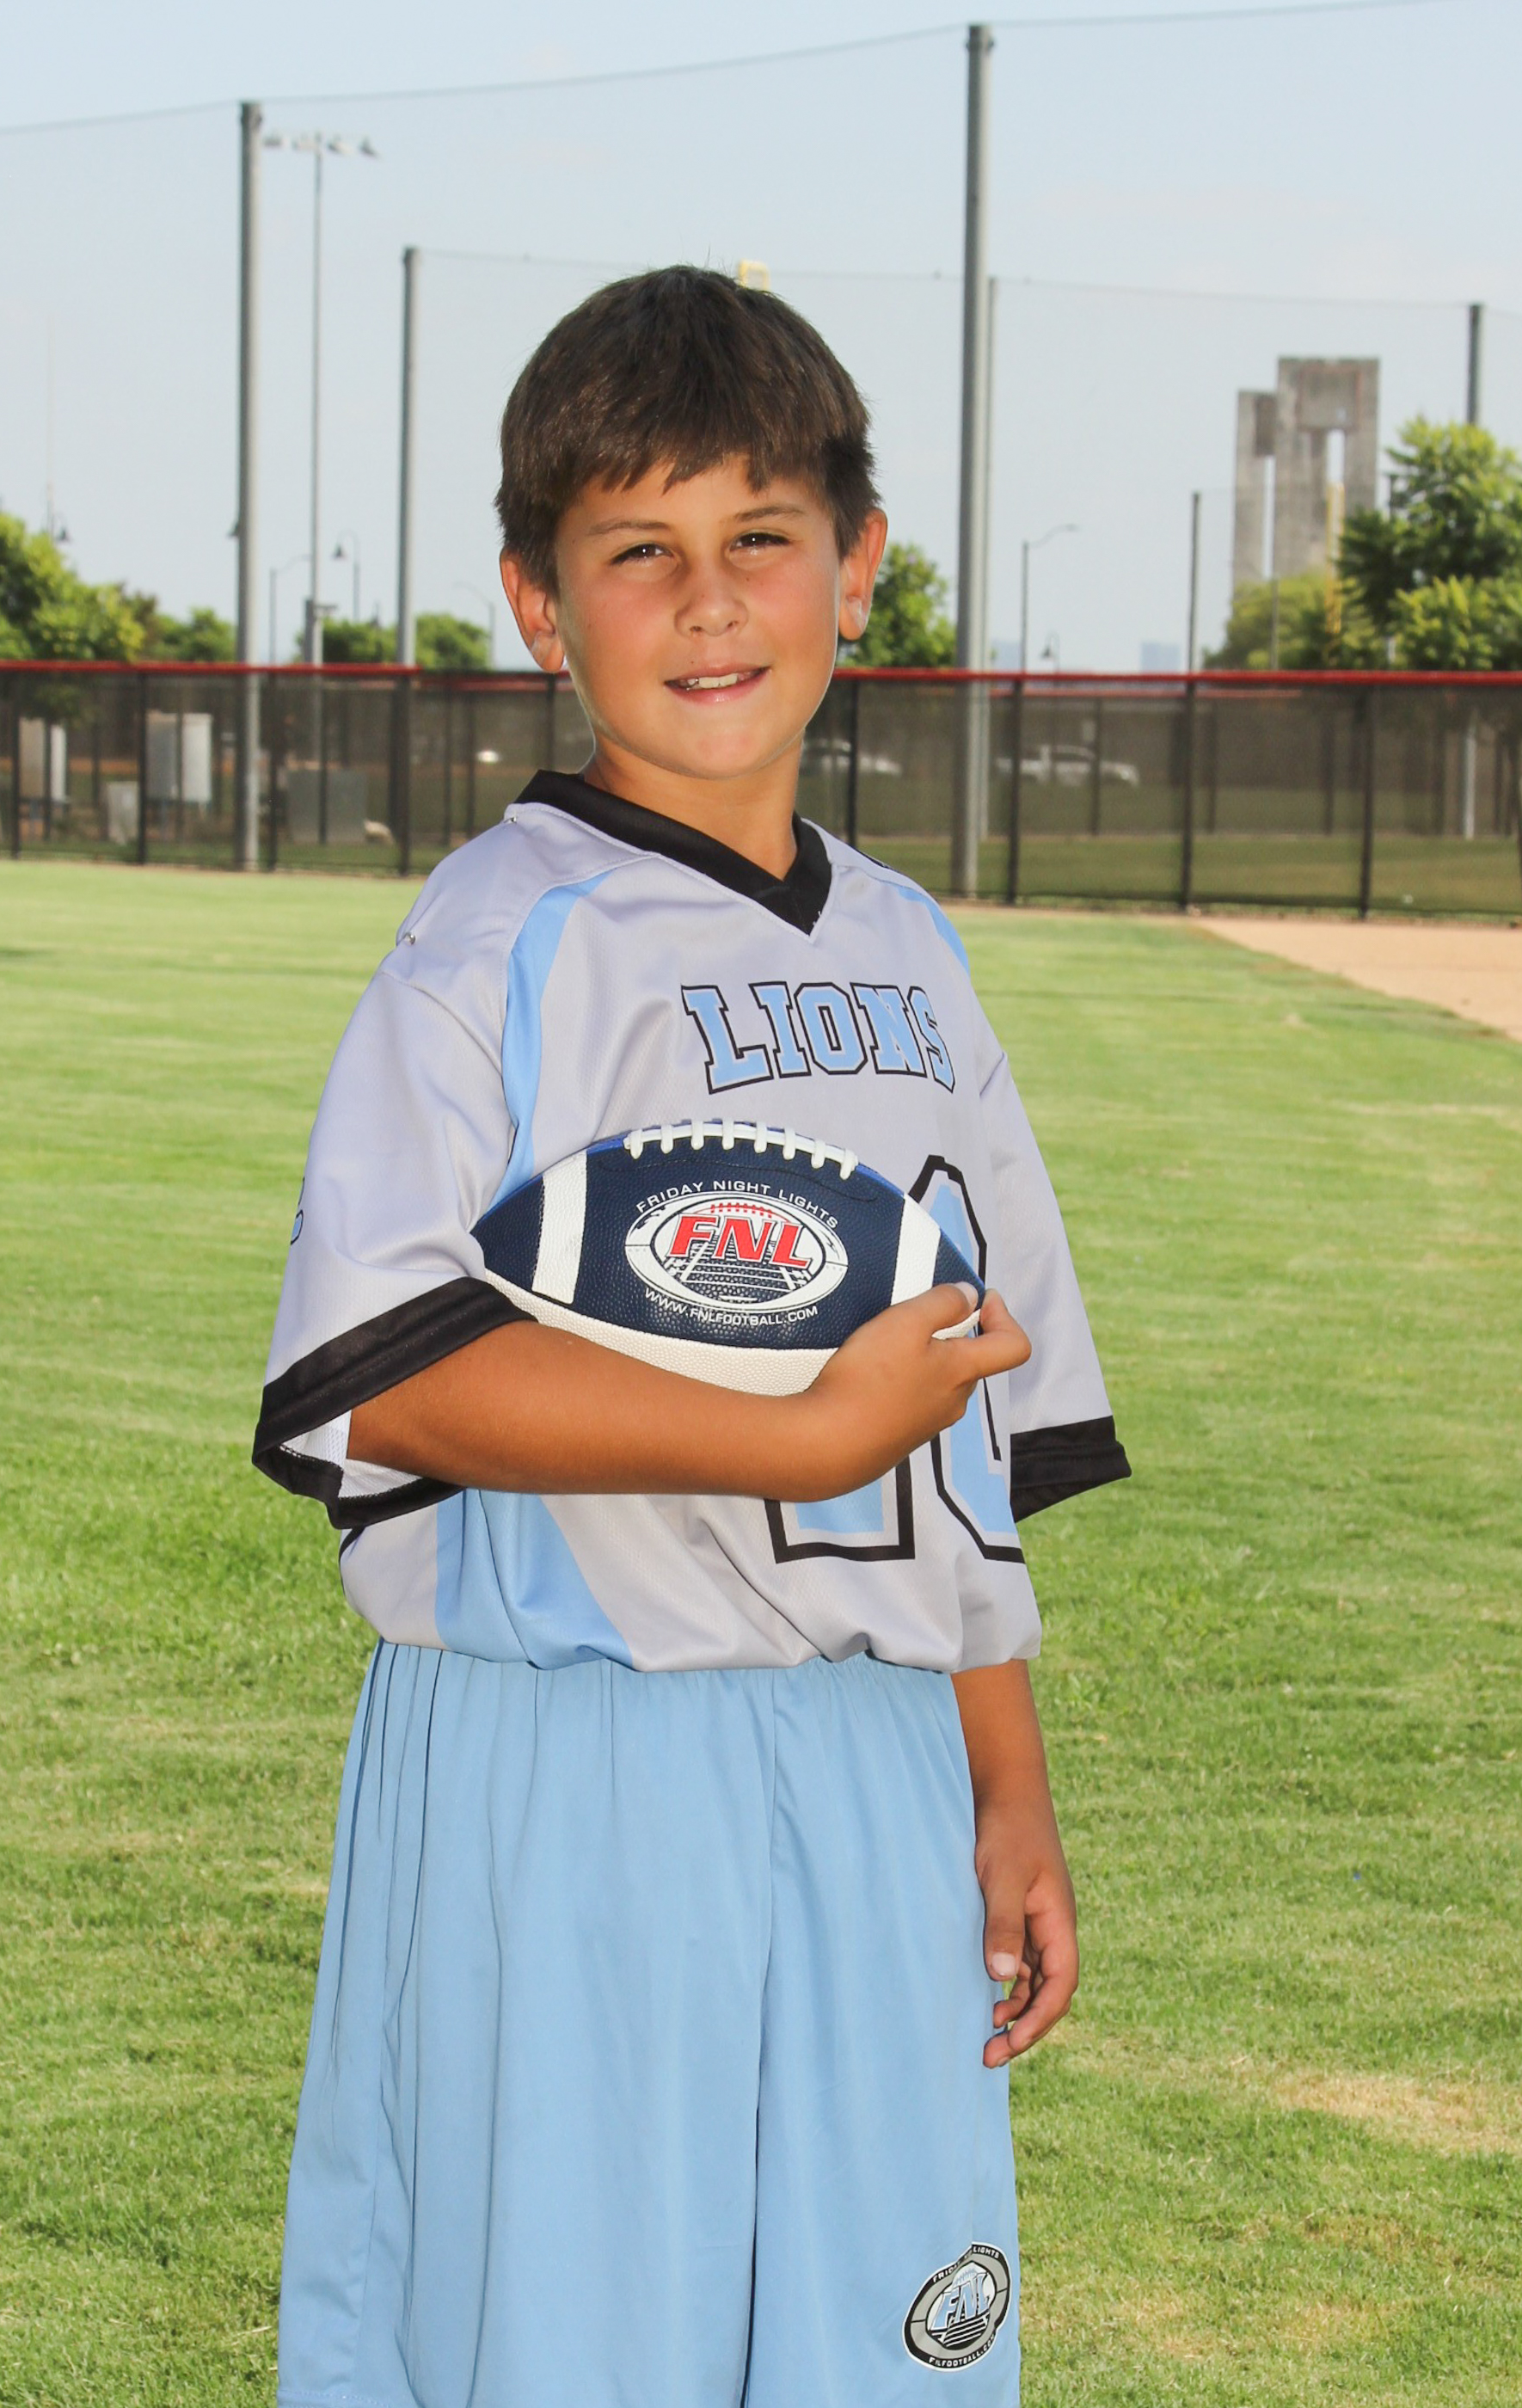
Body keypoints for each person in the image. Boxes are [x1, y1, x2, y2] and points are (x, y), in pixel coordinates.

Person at [253, 266, 1129, 2408]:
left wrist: (1005, 1786)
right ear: (539, 604)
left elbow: (970, 1434)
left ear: (858, 565)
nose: (711, 599)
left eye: (760, 535)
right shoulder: (496, 935)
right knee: (572, 2343)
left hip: (875, 1760)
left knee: (882, 2345)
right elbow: (392, 1371)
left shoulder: (914, 954)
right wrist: (793, 1435)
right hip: (577, 1760)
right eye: (637, 548)